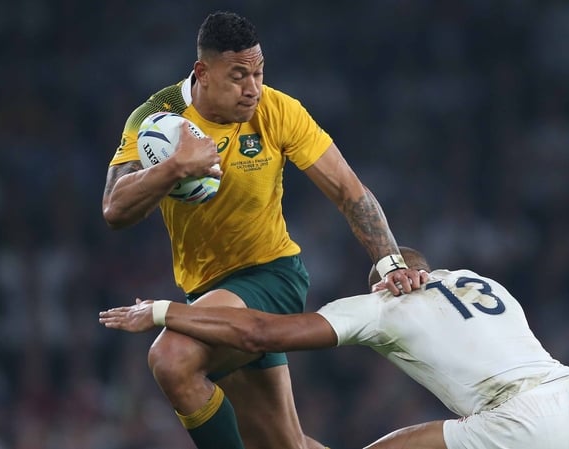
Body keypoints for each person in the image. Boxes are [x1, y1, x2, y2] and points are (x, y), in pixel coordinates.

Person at [101, 11, 423, 449]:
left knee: (171, 358)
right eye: (238, 76)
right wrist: (176, 166)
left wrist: (389, 262)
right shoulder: (157, 116)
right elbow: (115, 208)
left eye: (258, 71)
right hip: (207, 291)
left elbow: (350, 191)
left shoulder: (277, 110)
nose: (252, 87)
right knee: (280, 444)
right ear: (203, 73)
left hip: (271, 276)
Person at [100, 247, 569, 449]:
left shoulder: (379, 305)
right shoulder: (477, 280)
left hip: (518, 420)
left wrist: (163, 312)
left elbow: (259, 334)